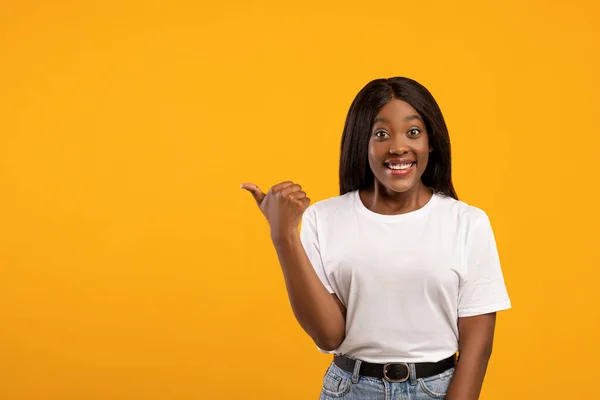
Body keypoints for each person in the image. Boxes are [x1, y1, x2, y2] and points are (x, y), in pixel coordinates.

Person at [241, 77, 511, 400]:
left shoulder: (468, 223)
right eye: (381, 134)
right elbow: (328, 336)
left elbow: (478, 347)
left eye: (413, 132)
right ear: (362, 142)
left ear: (431, 142)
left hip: (437, 389)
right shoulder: (324, 219)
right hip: (351, 389)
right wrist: (284, 235)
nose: (398, 147)